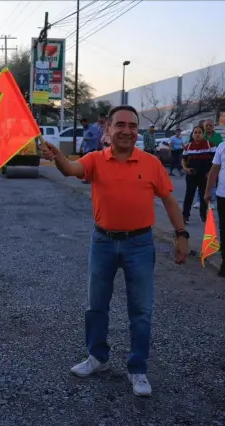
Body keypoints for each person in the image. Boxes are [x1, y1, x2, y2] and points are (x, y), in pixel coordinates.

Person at [41, 105, 189, 397]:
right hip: (103, 242)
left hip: (140, 244)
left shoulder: (151, 163)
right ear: (107, 130)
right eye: (119, 125)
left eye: (132, 126)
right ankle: (97, 357)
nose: (126, 130)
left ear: (137, 131)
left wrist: (181, 234)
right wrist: (58, 156)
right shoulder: (96, 159)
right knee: (96, 305)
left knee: (141, 310)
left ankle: (138, 369)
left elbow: (170, 201)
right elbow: (71, 170)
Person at [182, 126, 216, 225]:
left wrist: (211, 172)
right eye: (195, 132)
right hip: (191, 174)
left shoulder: (210, 145)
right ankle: (185, 216)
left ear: (203, 134)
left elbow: (216, 161)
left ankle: (203, 216)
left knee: (204, 196)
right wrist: (185, 169)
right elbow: (183, 159)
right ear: (192, 134)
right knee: (189, 195)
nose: (197, 134)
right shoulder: (188, 146)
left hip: (205, 175)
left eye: (199, 132)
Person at [205, 142, 225, 277]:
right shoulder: (222, 146)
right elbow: (214, 171)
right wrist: (207, 191)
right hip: (223, 195)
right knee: (224, 229)